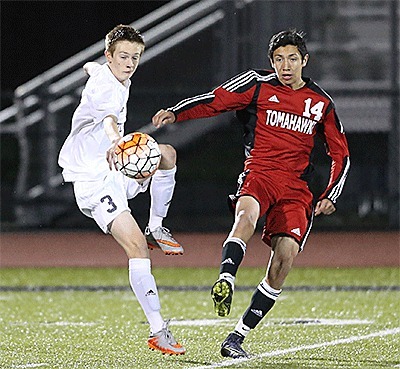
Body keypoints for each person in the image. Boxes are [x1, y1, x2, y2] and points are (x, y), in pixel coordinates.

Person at [152, 29, 350, 358]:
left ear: (305, 60)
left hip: (296, 188)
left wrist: (330, 194)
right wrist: (177, 112)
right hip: (259, 172)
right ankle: (226, 279)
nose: (285, 66)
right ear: (271, 62)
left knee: (285, 257)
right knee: (246, 216)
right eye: (278, 59)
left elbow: (340, 154)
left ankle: (237, 337)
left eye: (292, 59)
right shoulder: (257, 84)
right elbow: (216, 100)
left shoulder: (322, 103)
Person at [58, 24, 185, 355]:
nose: (130, 63)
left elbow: (92, 70)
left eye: (135, 57)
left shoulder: (107, 73)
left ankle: (157, 225)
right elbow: (109, 118)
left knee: (167, 156)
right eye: (124, 56)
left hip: (115, 169)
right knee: (136, 248)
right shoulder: (109, 89)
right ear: (109, 55)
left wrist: (90, 68)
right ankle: (159, 330)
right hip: (93, 178)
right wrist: (117, 141)